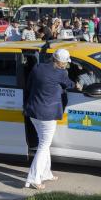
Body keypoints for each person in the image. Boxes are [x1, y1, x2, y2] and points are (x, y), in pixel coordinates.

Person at [24, 49, 77, 189]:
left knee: (44, 143)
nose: (65, 65)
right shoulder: (61, 73)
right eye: (65, 63)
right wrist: (78, 85)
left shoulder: (37, 67)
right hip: (47, 115)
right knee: (43, 146)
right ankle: (34, 178)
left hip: (33, 112)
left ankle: (46, 173)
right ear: (61, 62)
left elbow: (29, 86)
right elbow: (70, 85)